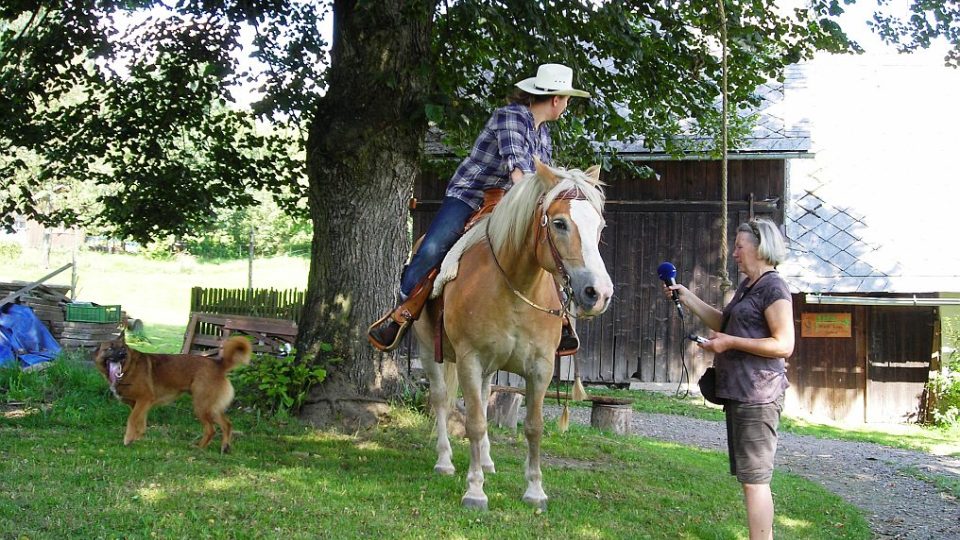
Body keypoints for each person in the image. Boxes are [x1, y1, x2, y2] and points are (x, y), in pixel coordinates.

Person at [368, 63, 590, 352]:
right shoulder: (510, 117)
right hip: (470, 196)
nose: (567, 105)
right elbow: (519, 172)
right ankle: (402, 313)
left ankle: (558, 319)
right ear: (556, 99)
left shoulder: (543, 133)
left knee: (544, 246)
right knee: (433, 247)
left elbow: (543, 180)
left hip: (512, 204)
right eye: (567, 99)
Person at [664, 218, 794, 540]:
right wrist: (686, 295)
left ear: (760, 247)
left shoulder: (773, 286)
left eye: (739, 246)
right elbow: (725, 321)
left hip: (759, 394)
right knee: (750, 479)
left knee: (755, 480)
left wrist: (731, 342)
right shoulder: (749, 287)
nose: (734, 253)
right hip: (741, 392)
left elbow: (784, 344)